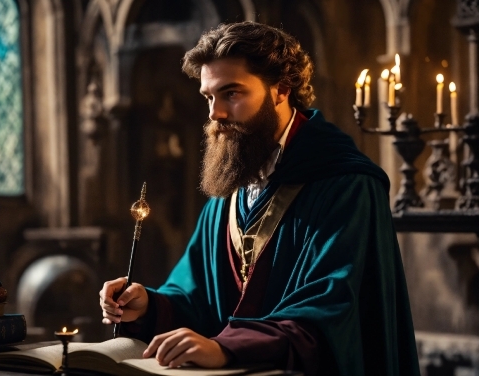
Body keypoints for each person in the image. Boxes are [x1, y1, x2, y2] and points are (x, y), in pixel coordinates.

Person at [99, 21, 420, 376]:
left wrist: (227, 347)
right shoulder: (228, 191)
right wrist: (148, 305)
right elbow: (197, 298)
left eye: (231, 94)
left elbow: (330, 311)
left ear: (281, 89)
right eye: (209, 96)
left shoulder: (347, 185)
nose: (214, 114)